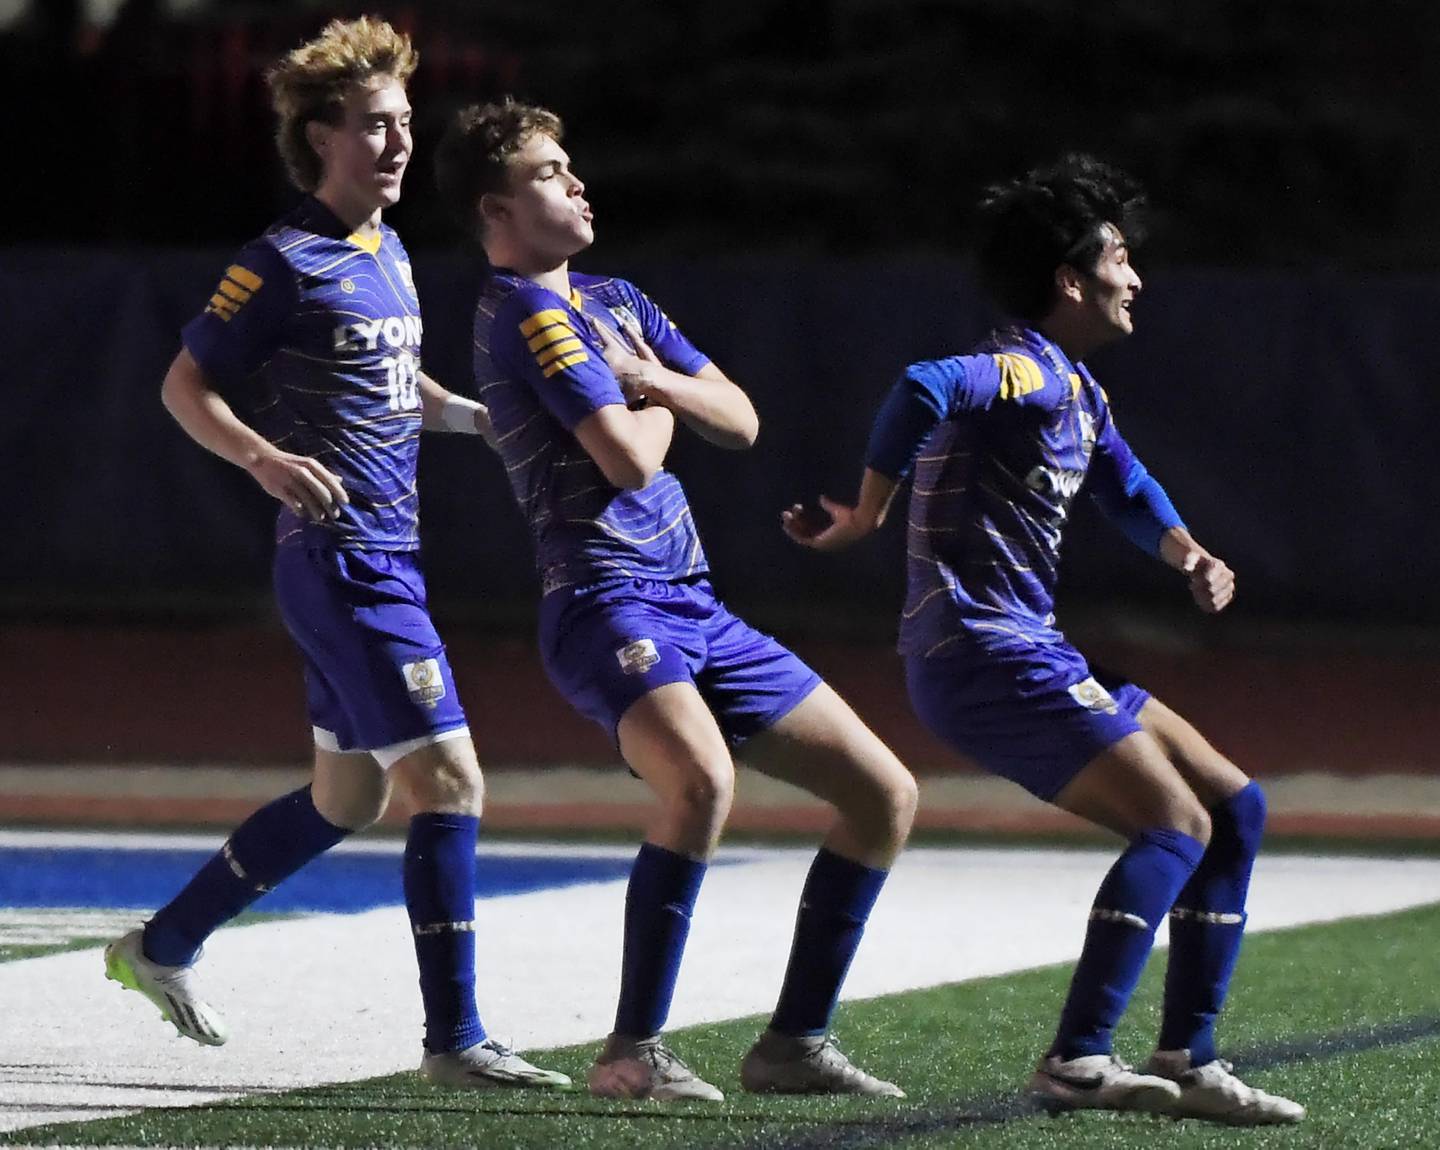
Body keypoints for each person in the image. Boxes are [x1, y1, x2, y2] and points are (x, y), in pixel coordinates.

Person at [783, 154, 1305, 1126]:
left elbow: (1127, 487)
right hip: (981, 655)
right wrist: (864, 515)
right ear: (1071, 279)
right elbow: (921, 385)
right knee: (1174, 824)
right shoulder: (1024, 365)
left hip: (1029, 649)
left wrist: (1188, 552)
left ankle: (1189, 1057)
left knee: (1235, 808)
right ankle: (1077, 1058)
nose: (1136, 276)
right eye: (1119, 257)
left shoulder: (1077, 390)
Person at [102, 17, 569, 1093]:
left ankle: (161, 944)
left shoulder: (386, 249)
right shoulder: (281, 261)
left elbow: (413, 394)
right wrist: (264, 459)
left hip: (384, 559)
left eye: (406, 122)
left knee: (345, 801)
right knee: (449, 779)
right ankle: (455, 1041)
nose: (400, 143)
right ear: (318, 136)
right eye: (374, 125)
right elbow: (185, 386)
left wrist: (495, 418)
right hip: (343, 560)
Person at [432, 99, 919, 1102]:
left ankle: (791, 1044)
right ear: (496, 206)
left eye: (573, 165)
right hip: (606, 602)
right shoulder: (526, 309)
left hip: (694, 602)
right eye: (550, 172)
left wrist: (646, 378)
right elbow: (620, 463)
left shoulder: (617, 298)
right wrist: (658, 406)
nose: (577, 182)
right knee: (700, 784)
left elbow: (740, 418)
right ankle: (632, 1051)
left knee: (885, 795)